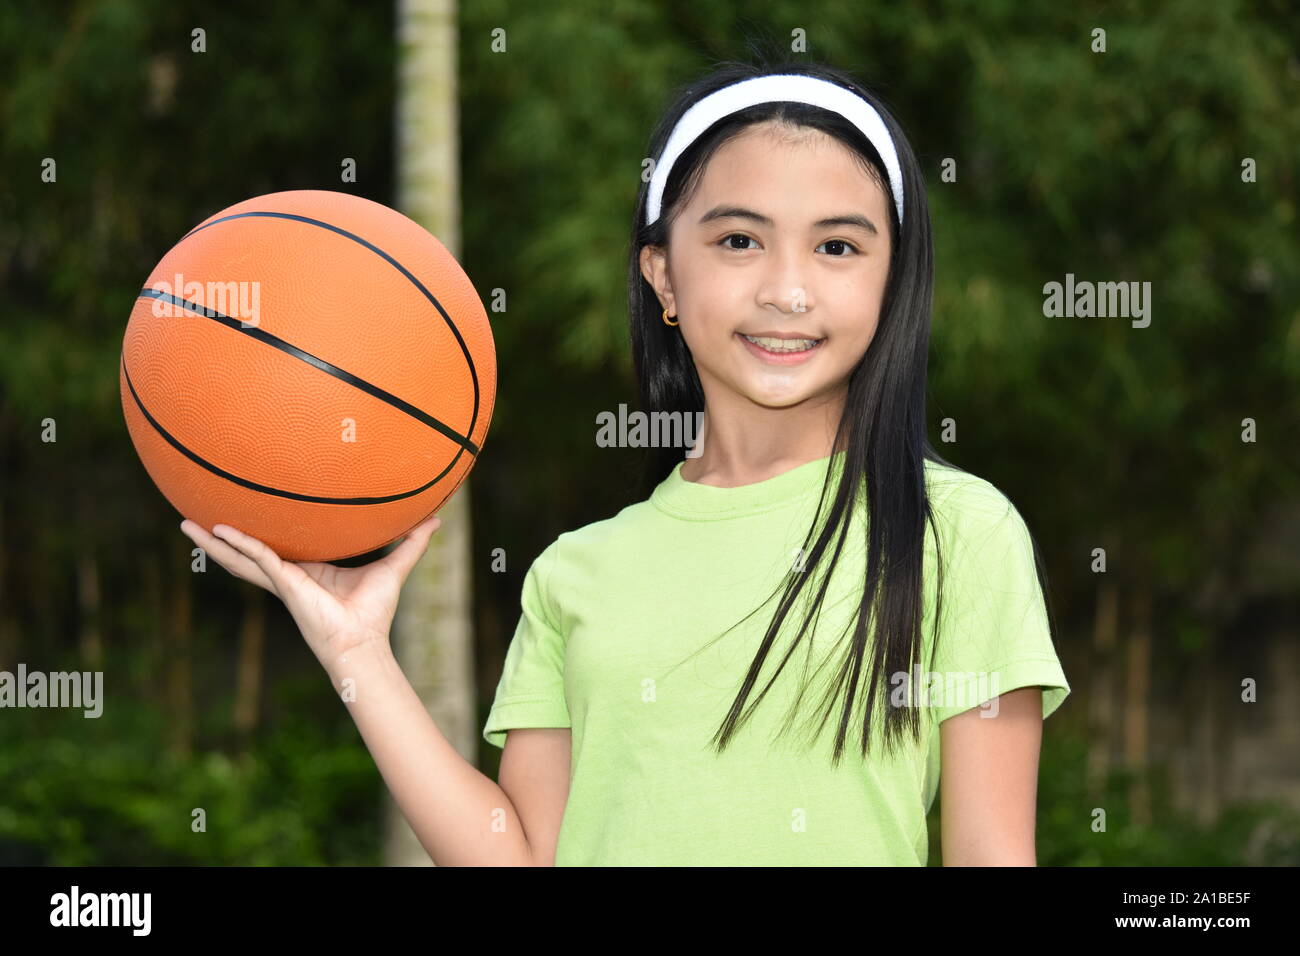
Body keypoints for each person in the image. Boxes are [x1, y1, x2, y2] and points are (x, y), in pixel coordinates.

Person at [182, 55, 1070, 867]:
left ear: (891, 278)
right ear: (663, 278)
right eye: (738, 240)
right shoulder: (575, 573)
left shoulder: (955, 532)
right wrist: (356, 651)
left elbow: (993, 856)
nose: (788, 289)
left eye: (837, 246)